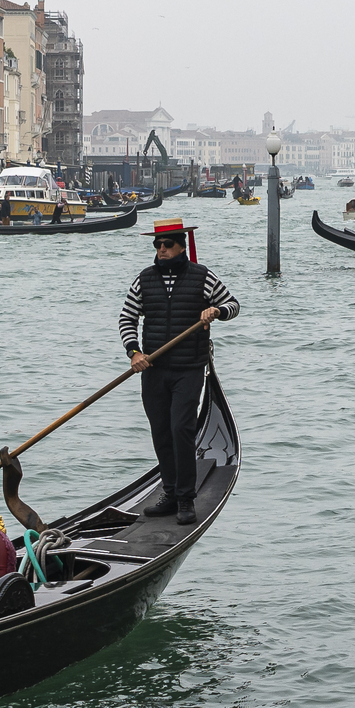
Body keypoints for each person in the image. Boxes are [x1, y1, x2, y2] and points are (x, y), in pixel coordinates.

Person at [120, 218, 239, 517]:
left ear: (181, 246)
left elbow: (233, 304)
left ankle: (186, 499)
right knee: (161, 432)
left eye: (168, 245)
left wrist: (217, 310)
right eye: (157, 245)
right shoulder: (144, 279)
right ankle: (170, 493)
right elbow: (127, 318)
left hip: (189, 368)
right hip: (154, 369)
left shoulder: (203, 277)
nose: (162, 250)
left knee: (181, 429)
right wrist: (134, 352)